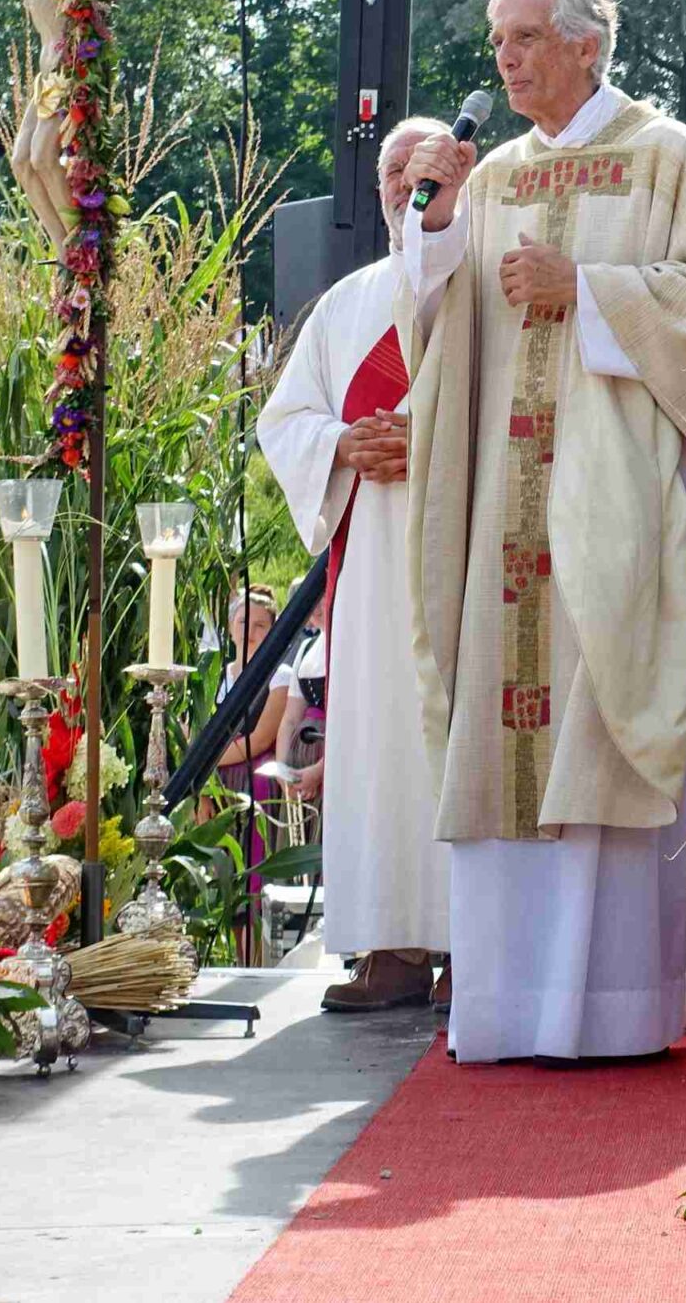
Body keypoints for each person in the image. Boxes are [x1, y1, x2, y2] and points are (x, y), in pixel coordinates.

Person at [399, 0, 686, 1064]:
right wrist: (435, 226)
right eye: (498, 41)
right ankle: (507, 1006)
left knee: (615, 711)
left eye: (526, 38)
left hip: (628, 499)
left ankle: (614, 1008)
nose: (506, 59)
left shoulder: (665, 155)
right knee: (506, 726)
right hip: (507, 508)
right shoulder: (494, 175)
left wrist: (591, 292)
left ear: (587, 45)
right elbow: (441, 327)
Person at [257, 113, 455, 1014]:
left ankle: (475, 947)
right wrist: (343, 444)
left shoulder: (486, 285)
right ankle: (393, 945)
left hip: (470, 545)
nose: (405, 189)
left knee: (460, 741)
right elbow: (285, 422)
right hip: (372, 561)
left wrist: (430, 442)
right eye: (391, 176)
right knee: (380, 741)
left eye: (422, 172)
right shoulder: (346, 305)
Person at [215, 586, 295, 966]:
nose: (251, 631)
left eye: (261, 625)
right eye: (244, 621)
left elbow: (261, 737)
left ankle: (256, 962)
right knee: (224, 875)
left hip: (255, 788)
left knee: (253, 876)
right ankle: (230, 957)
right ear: (231, 626)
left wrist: (211, 759)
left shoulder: (280, 676)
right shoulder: (217, 677)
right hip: (219, 790)